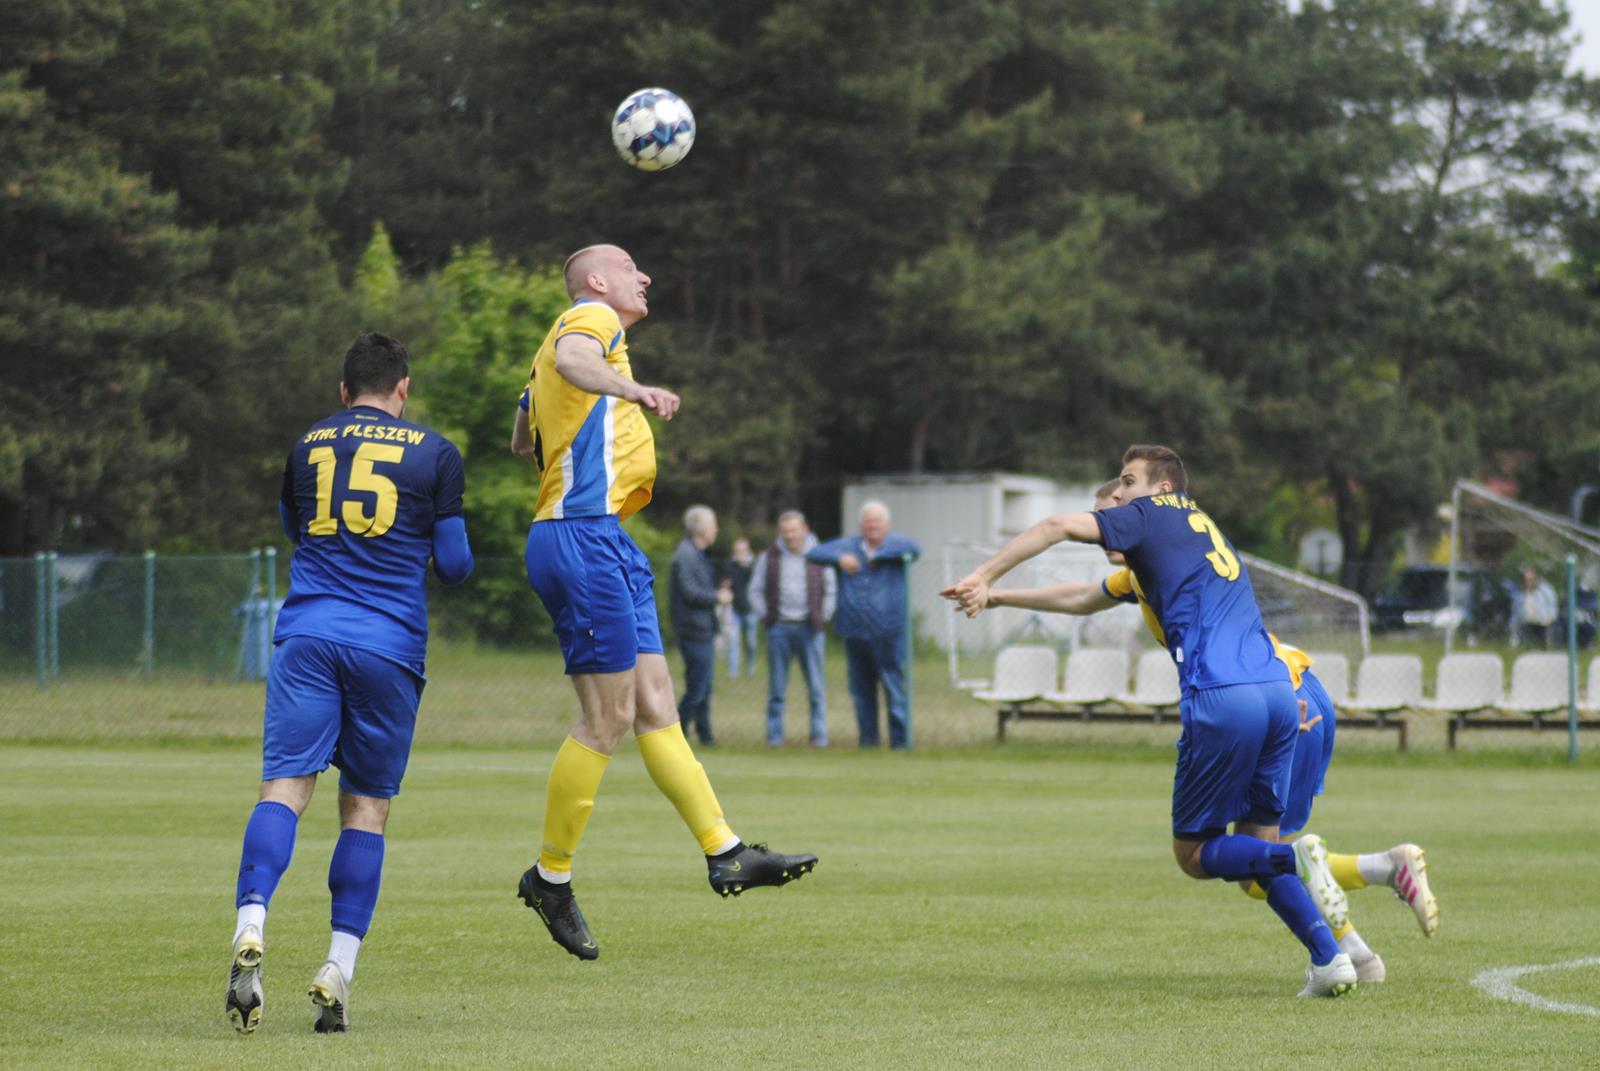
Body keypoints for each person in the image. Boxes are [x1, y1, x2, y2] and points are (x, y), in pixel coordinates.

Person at [966, 479, 1439, 979]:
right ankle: (1360, 937)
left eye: (1114, 508)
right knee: (1255, 863)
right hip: (1285, 692)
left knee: (1247, 859)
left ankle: (1345, 913)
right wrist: (997, 598)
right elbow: (1082, 596)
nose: (1107, 525)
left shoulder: (1168, 547)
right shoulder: (1153, 571)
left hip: (1280, 697)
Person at [511, 244, 815, 961]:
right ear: (595, 282)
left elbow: (520, 432)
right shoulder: (589, 319)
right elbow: (576, 364)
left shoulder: (567, 336)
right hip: (579, 537)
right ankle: (550, 877)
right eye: (628, 267)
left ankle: (725, 850)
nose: (642, 277)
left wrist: (558, 422)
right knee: (609, 716)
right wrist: (632, 390)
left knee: (655, 705)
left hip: (605, 537)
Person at [225, 332, 475, 1035]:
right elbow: (455, 566)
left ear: (343, 391)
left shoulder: (307, 443)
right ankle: (337, 967)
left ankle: (252, 920)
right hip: (388, 644)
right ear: (404, 388)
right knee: (365, 809)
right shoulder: (435, 450)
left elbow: (294, 528)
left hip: (308, 632)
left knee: (285, 788)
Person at [808, 501, 921, 749]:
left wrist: (878, 556)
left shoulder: (895, 546)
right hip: (855, 632)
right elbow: (814, 553)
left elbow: (915, 548)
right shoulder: (849, 546)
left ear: (887, 525)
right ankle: (868, 741)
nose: (872, 526)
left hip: (888, 632)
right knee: (862, 692)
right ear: (861, 525)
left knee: (894, 687)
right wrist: (841, 558)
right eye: (868, 521)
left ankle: (900, 742)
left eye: (877, 521)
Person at [748, 510, 836, 746]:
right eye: (785, 531)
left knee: (816, 688)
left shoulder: (819, 555)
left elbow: (831, 589)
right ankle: (775, 737)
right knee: (777, 689)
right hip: (779, 629)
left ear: (804, 529)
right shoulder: (770, 556)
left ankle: (819, 736)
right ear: (780, 532)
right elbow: (754, 590)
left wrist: (823, 616)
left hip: (811, 629)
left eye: (794, 530)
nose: (790, 535)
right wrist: (766, 617)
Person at [670, 505, 731, 745]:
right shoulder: (685, 555)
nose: (716, 529)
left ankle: (705, 734)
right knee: (697, 687)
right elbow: (690, 592)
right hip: (693, 630)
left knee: (703, 687)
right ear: (702, 528)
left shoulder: (696, 554)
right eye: (713, 524)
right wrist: (717, 596)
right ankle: (677, 732)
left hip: (702, 629)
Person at [720, 536, 759, 678]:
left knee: (751, 642)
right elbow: (724, 582)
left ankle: (751, 668)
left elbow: (758, 583)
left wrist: (746, 566)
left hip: (751, 609)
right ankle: (733, 672)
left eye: (743, 550)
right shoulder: (729, 564)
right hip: (733, 609)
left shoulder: (753, 564)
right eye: (738, 550)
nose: (740, 553)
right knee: (733, 641)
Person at [1518, 567, 1558, 647]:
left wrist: (1550, 619)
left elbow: (1553, 606)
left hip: (1542, 624)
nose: (1527, 582)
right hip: (1526, 624)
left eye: (1530, 580)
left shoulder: (1545, 590)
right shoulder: (1520, 593)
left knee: (1541, 648)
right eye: (1526, 580)